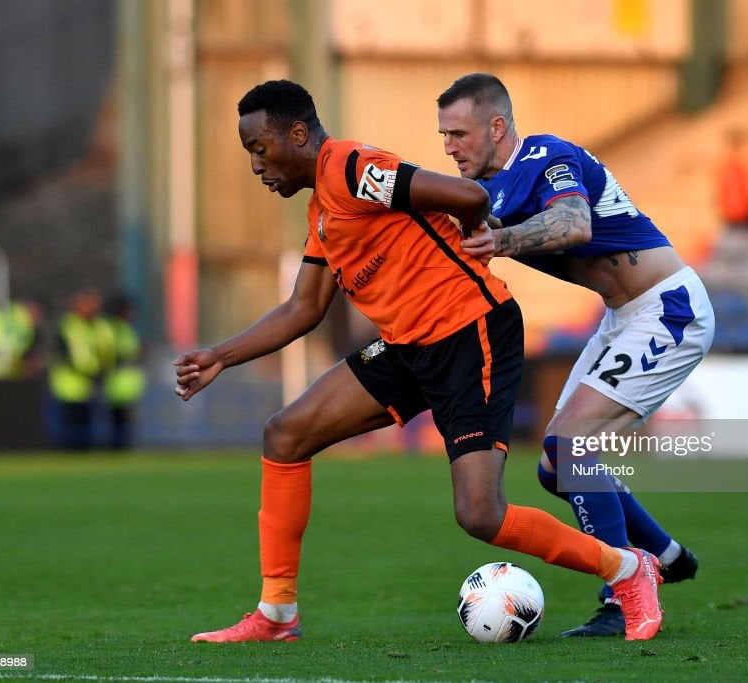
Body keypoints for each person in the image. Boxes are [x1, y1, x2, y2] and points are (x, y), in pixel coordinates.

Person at [174, 79, 664, 643]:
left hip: (469, 330)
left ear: (298, 134)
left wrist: (475, 240)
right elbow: (303, 308)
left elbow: (471, 198)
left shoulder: (353, 169)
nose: (257, 165)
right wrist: (219, 356)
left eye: (259, 149)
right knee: (285, 435)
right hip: (408, 345)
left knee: (480, 515)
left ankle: (628, 569)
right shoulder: (321, 212)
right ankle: (277, 614)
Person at [436, 73, 715, 637]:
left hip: (668, 309)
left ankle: (623, 597)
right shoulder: (484, 194)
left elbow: (574, 222)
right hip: (622, 317)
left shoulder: (545, 155)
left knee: (568, 447)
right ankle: (663, 553)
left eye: (459, 133)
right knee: (553, 469)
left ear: (497, 126)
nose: (449, 147)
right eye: (443, 135)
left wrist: (503, 241)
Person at [47, 288, 105, 449]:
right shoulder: (68, 326)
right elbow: (70, 357)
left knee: (85, 426)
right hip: (70, 386)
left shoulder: (96, 326)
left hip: (88, 385)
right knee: (70, 427)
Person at [97, 292, 146, 449]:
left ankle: (121, 449)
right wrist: (134, 355)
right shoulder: (111, 329)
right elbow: (112, 355)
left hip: (126, 387)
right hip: (115, 385)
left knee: (124, 424)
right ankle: (114, 450)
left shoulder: (125, 329)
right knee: (116, 424)